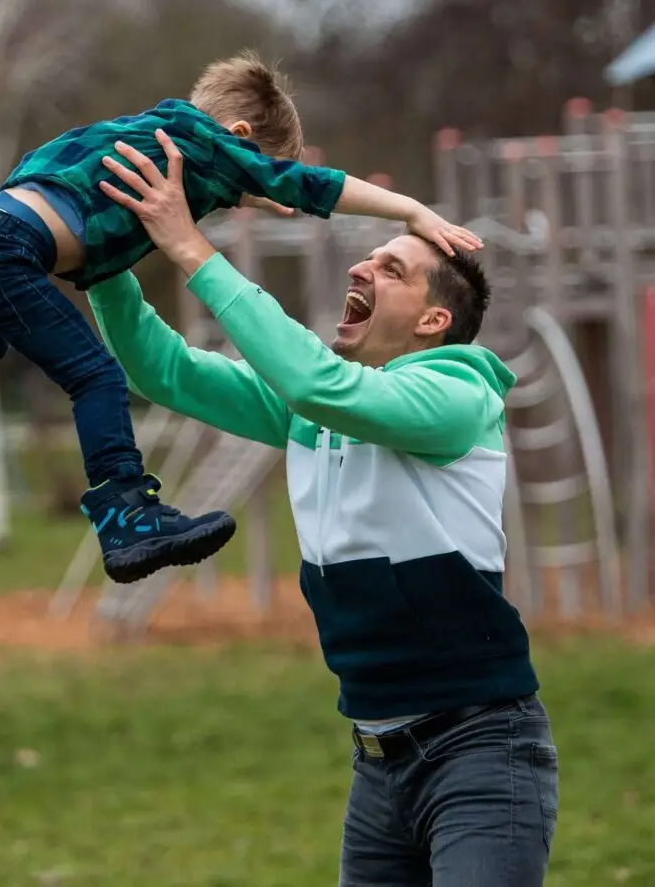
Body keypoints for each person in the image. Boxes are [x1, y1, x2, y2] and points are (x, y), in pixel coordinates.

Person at [87, 129, 558, 886]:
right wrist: (103, 255)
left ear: (433, 321)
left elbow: (320, 388)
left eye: (391, 268)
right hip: (375, 764)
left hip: (479, 754)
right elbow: (163, 369)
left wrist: (192, 250)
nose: (362, 264)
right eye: (368, 255)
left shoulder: (458, 395)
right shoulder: (319, 409)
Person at [0, 53, 479, 585]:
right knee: (95, 377)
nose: (250, 195)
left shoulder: (124, 137)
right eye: (248, 180)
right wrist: (409, 211)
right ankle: (126, 514)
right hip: (3, 253)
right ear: (236, 134)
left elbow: (72, 214)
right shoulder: (204, 143)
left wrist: (194, 221)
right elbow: (307, 185)